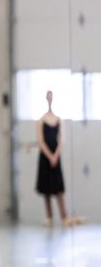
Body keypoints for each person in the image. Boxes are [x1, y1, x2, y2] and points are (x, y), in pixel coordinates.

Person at [36, 90, 84, 228]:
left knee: (58, 187)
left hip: (55, 157)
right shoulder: (41, 121)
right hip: (46, 157)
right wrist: (49, 156)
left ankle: (64, 216)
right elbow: (40, 141)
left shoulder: (58, 120)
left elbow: (61, 139)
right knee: (46, 188)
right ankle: (49, 217)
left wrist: (56, 155)